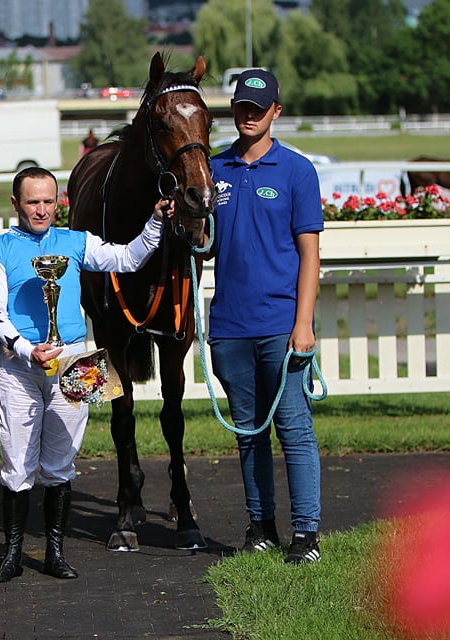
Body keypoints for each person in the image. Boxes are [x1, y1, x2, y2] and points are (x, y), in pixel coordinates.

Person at [0, 167, 168, 582]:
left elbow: (129, 257)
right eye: (32, 202)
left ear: (58, 202)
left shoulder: (76, 241)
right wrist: (28, 349)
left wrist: (155, 220)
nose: (41, 210)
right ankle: (12, 554)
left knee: (63, 462)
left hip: (77, 360)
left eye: (48, 201)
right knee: (17, 462)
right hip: (20, 365)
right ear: (16, 204)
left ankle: (55, 553)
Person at [207, 69, 324, 564]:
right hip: (229, 325)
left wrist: (304, 323)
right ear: (232, 109)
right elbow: (200, 243)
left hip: (281, 323)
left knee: (293, 428)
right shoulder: (212, 170)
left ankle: (306, 534)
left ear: (277, 111)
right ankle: (260, 525)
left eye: (259, 107)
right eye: (242, 106)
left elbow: (310, 255)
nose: (249, 115)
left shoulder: (297, 171)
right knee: (248, 431)